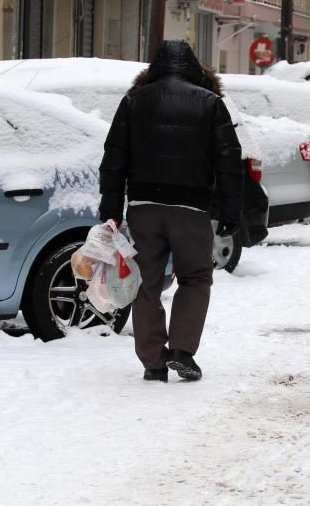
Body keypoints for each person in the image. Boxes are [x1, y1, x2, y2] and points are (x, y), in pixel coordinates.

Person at [99, 40, 243, 383]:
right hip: (191, 208)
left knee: (146, 283)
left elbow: (114, 159)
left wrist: (111, 209)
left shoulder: (134, 101)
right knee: (195, 277)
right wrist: (231, 211)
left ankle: (153, 360)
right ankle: (181, 351)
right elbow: (229, 163)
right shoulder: (210, 103)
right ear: (196, 68)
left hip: (144, 207)